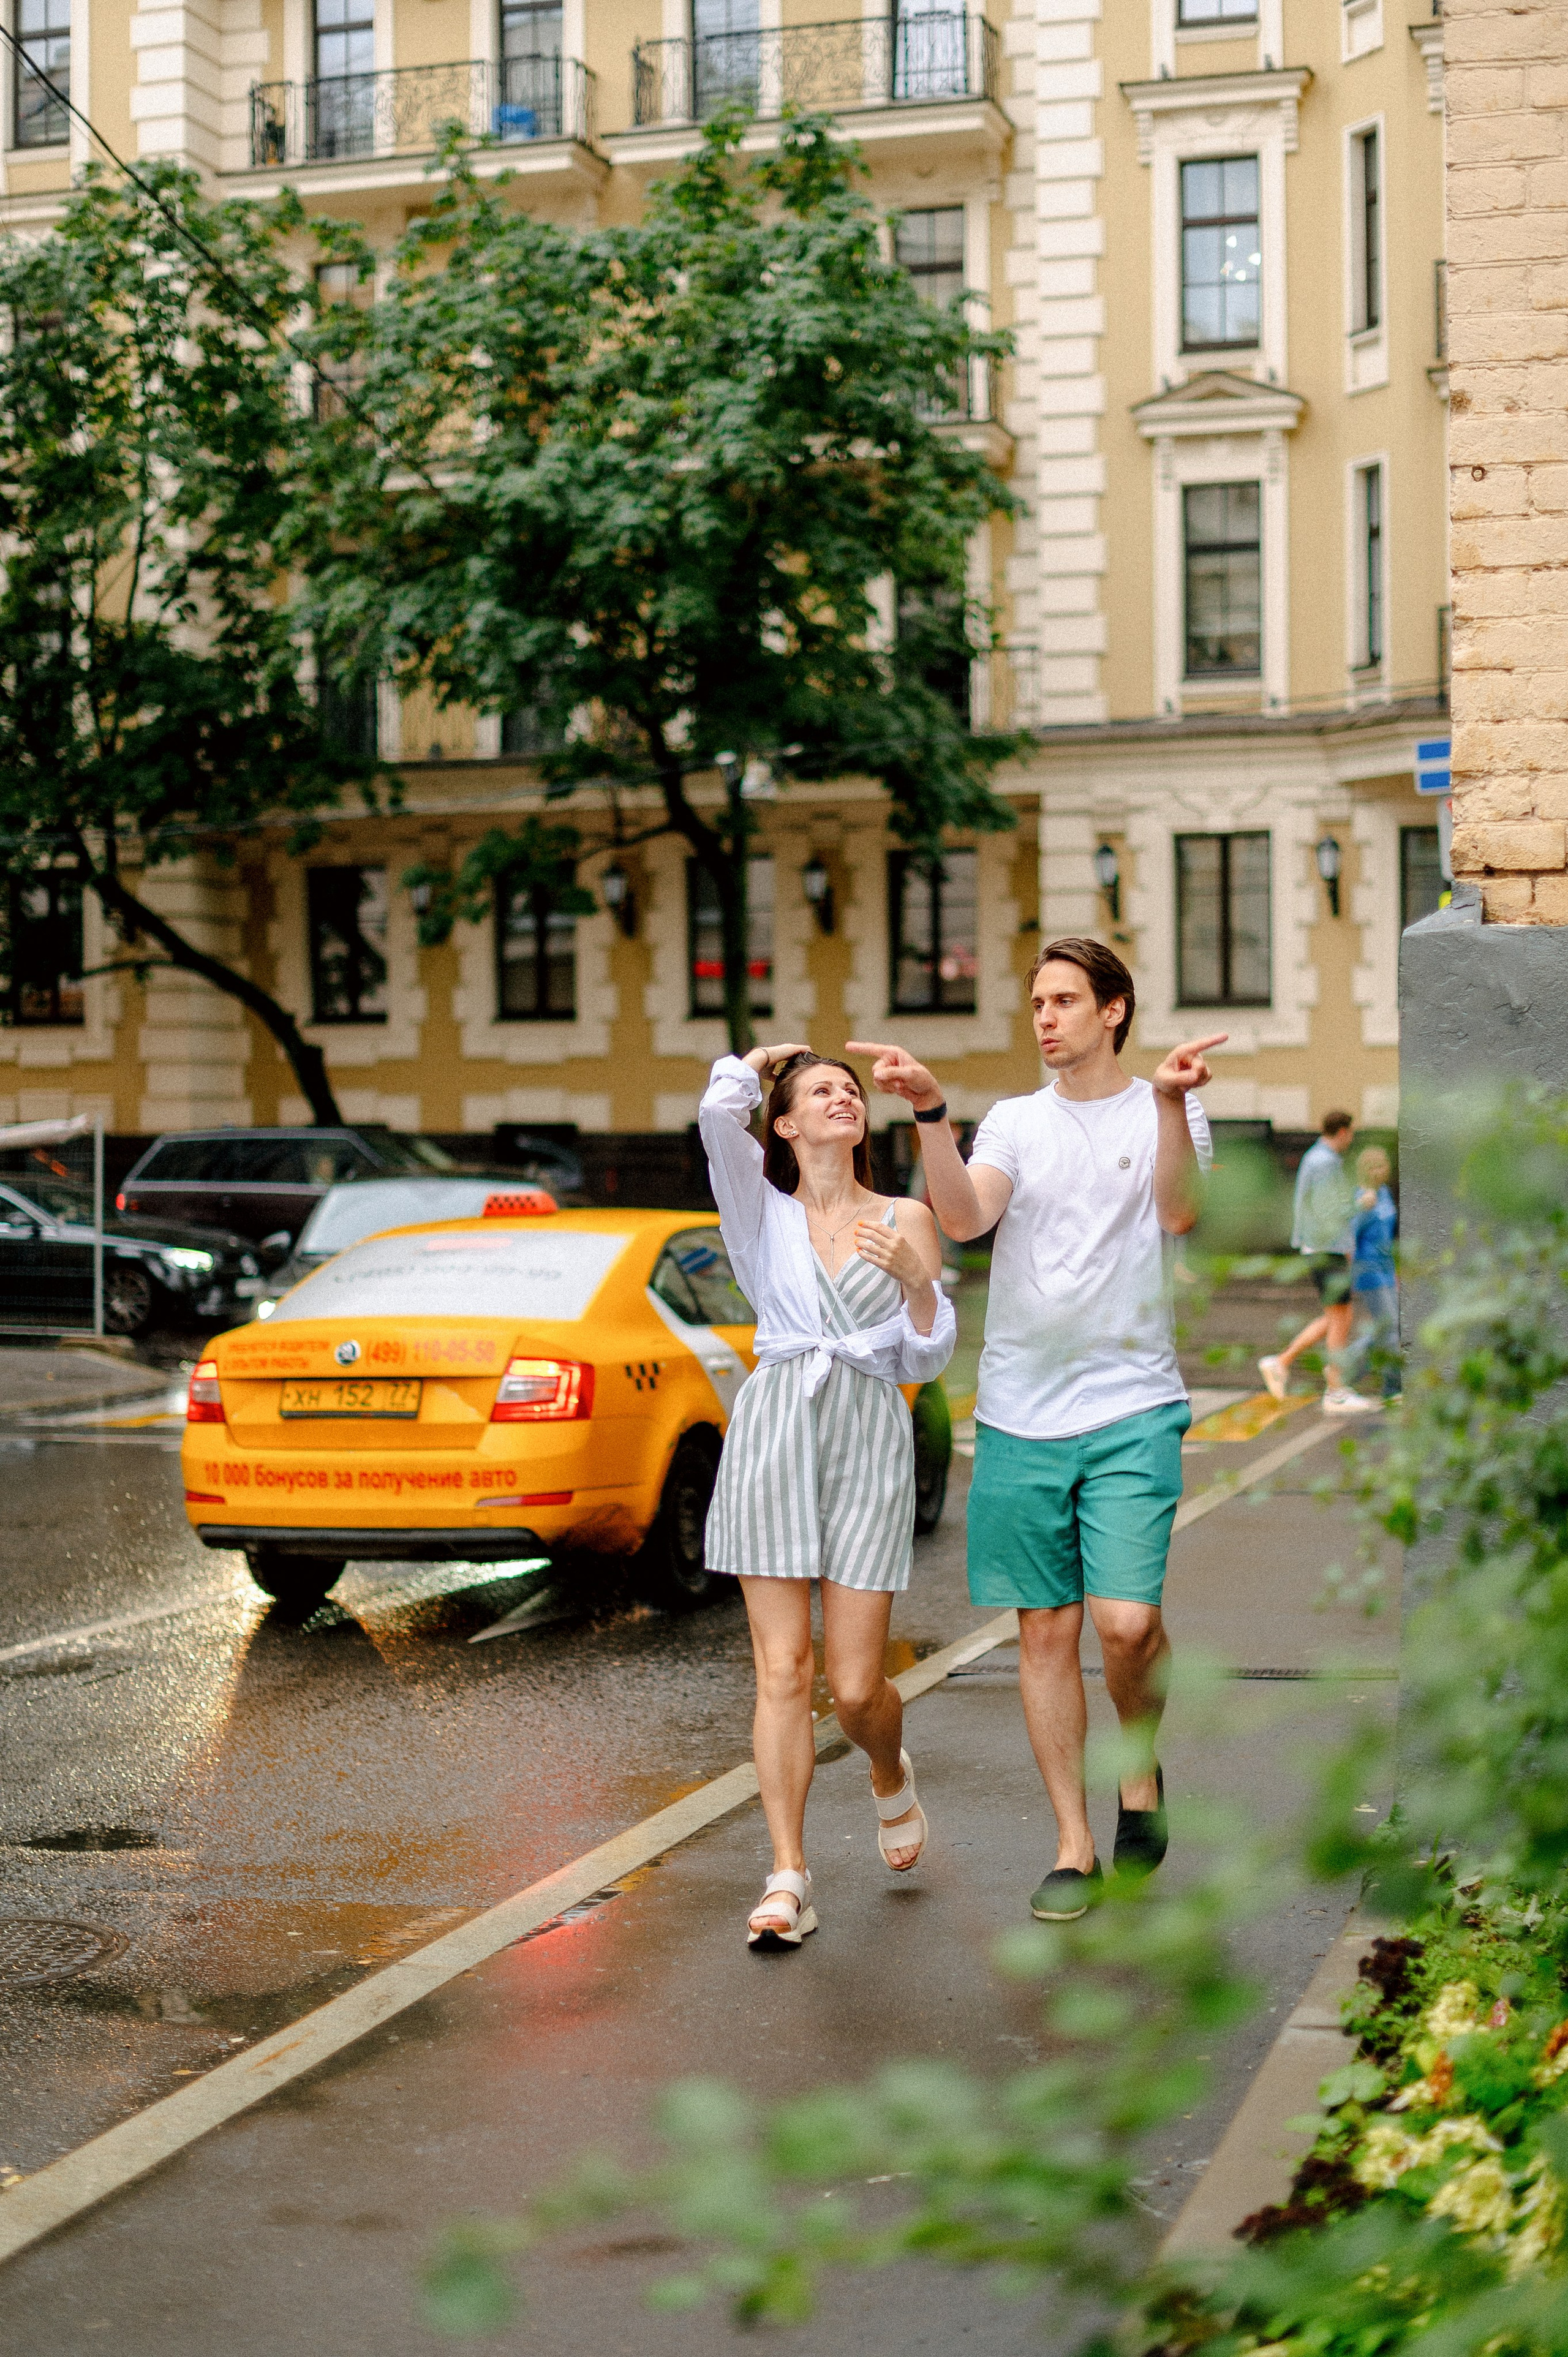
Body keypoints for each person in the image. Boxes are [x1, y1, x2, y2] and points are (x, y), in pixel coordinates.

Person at [848, 938, 1220, 1923]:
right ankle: (1074, 1844)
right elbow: (965, 1218)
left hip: (1133, 1402)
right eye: (1036, 1002)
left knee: (1126, 1624)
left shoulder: (1167, 1110)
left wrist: (1176, 1104)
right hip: (1020, 1413)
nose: (1045, 1017)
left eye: (1064, 1000)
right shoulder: (1015, 1120)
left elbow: (1180, 1214)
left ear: (1114, 1010)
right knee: (1047, 1632)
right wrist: (932, 1114)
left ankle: (1138, 1766)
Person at [698, 1042, 957, 1951]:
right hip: (775, 1430)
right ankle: (788, 1877)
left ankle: (889, 1769)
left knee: (852, 1688)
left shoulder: (906, 1217)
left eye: (850, 1090)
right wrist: (754, 1062)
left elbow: (925, 1358)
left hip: (866, 1431)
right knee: (783, 1672)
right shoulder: (758, 1212)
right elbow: (712, 1120)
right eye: (820, 1091)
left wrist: (922, 1286)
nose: (842, 1097)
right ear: (787, 1124)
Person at [1257, 1111, 1379, 1415]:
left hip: (1324, 1248)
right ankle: (1335, 1392)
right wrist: (1359, 1204)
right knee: (1341, 1318)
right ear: (1342, 1132)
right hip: (1326, 1249)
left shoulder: (1319, 1159)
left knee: (1338, 1315)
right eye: (1350, 1133)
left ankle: (1281, 1363)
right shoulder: (1324, 1162)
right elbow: (1329, 1210)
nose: (1351, 1139)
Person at [1339, 1145, 1400, 1403]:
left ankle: (1343, 1369)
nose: (1379, 1171)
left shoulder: (1385, 1193)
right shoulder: (1361, 1197)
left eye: (1382, 1166)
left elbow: (1389, 1234)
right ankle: (1393, 1389)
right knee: (1391, 1331)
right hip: (1369, 1271)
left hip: (1387, 1270)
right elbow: (1347, 1235)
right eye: (1373, 1167)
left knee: (1383, 1331)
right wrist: (1360, 1209)